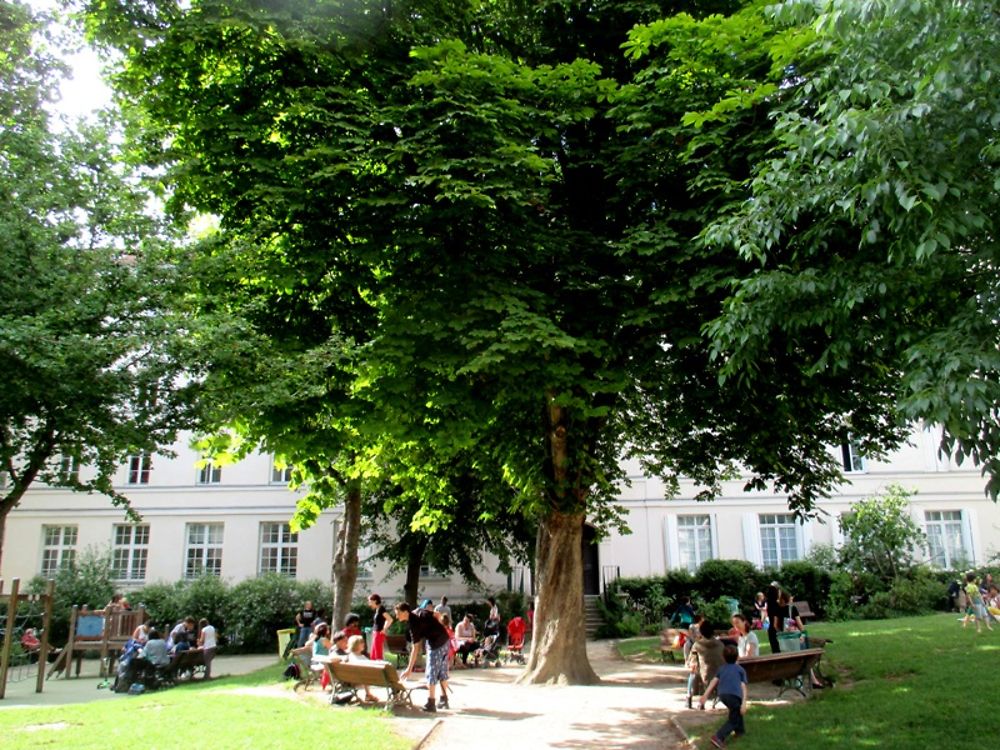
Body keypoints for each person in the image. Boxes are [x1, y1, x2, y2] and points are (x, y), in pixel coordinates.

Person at [395, 602, 452, 712]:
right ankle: (444, 700)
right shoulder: (419, 611)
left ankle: (431, 703)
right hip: (445, 640)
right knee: (442, 672)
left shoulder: (413, 625)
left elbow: (415, 648)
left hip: (436, 645)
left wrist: (409, 669)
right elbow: (437, 614)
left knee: (431, 672)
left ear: (405, 612)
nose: (397, 616)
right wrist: (440, 627)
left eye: (398, 614)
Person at [699, 645, 748, 748]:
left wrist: (705, 695)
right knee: (734, 719)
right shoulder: (740, 670)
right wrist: (744, 703)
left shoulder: (721, 669)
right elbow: (743, 687)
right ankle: (718, 737)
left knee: (736, 712)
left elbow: (714, 681)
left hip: (722, 695)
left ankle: (740, 732)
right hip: (734, 695)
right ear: (738, 656)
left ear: (724, 658)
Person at [687, 622, 724, 710]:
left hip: (705, 677)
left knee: (693, 673)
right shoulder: (720, 644)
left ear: (701, 632)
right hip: (720, 676)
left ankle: (689, 696)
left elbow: (692, 663)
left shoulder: (697, 645)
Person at [346, 634, 382, 702]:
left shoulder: (350, 656)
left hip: (353, 678)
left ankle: (368, 694)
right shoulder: (359, 658)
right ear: (355, 645)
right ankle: (368, 694)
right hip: (361, 679)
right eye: (361, 643)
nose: (363, 644)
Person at [368, 593, 393, 661]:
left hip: (379, 633)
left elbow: (390, 619)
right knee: (373, 654)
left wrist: (384, 629)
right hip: (375, 633)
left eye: (370, 601)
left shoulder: (381, 609)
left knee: (378, 653)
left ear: (375, 601)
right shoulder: (377, 609)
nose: (369, 603)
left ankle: (380, 669)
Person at [765, 582, 783, 653]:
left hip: (771, 629)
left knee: (775, 650)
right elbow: (776, 621)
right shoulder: (776, 605)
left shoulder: (769, 603)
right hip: (776, 629)